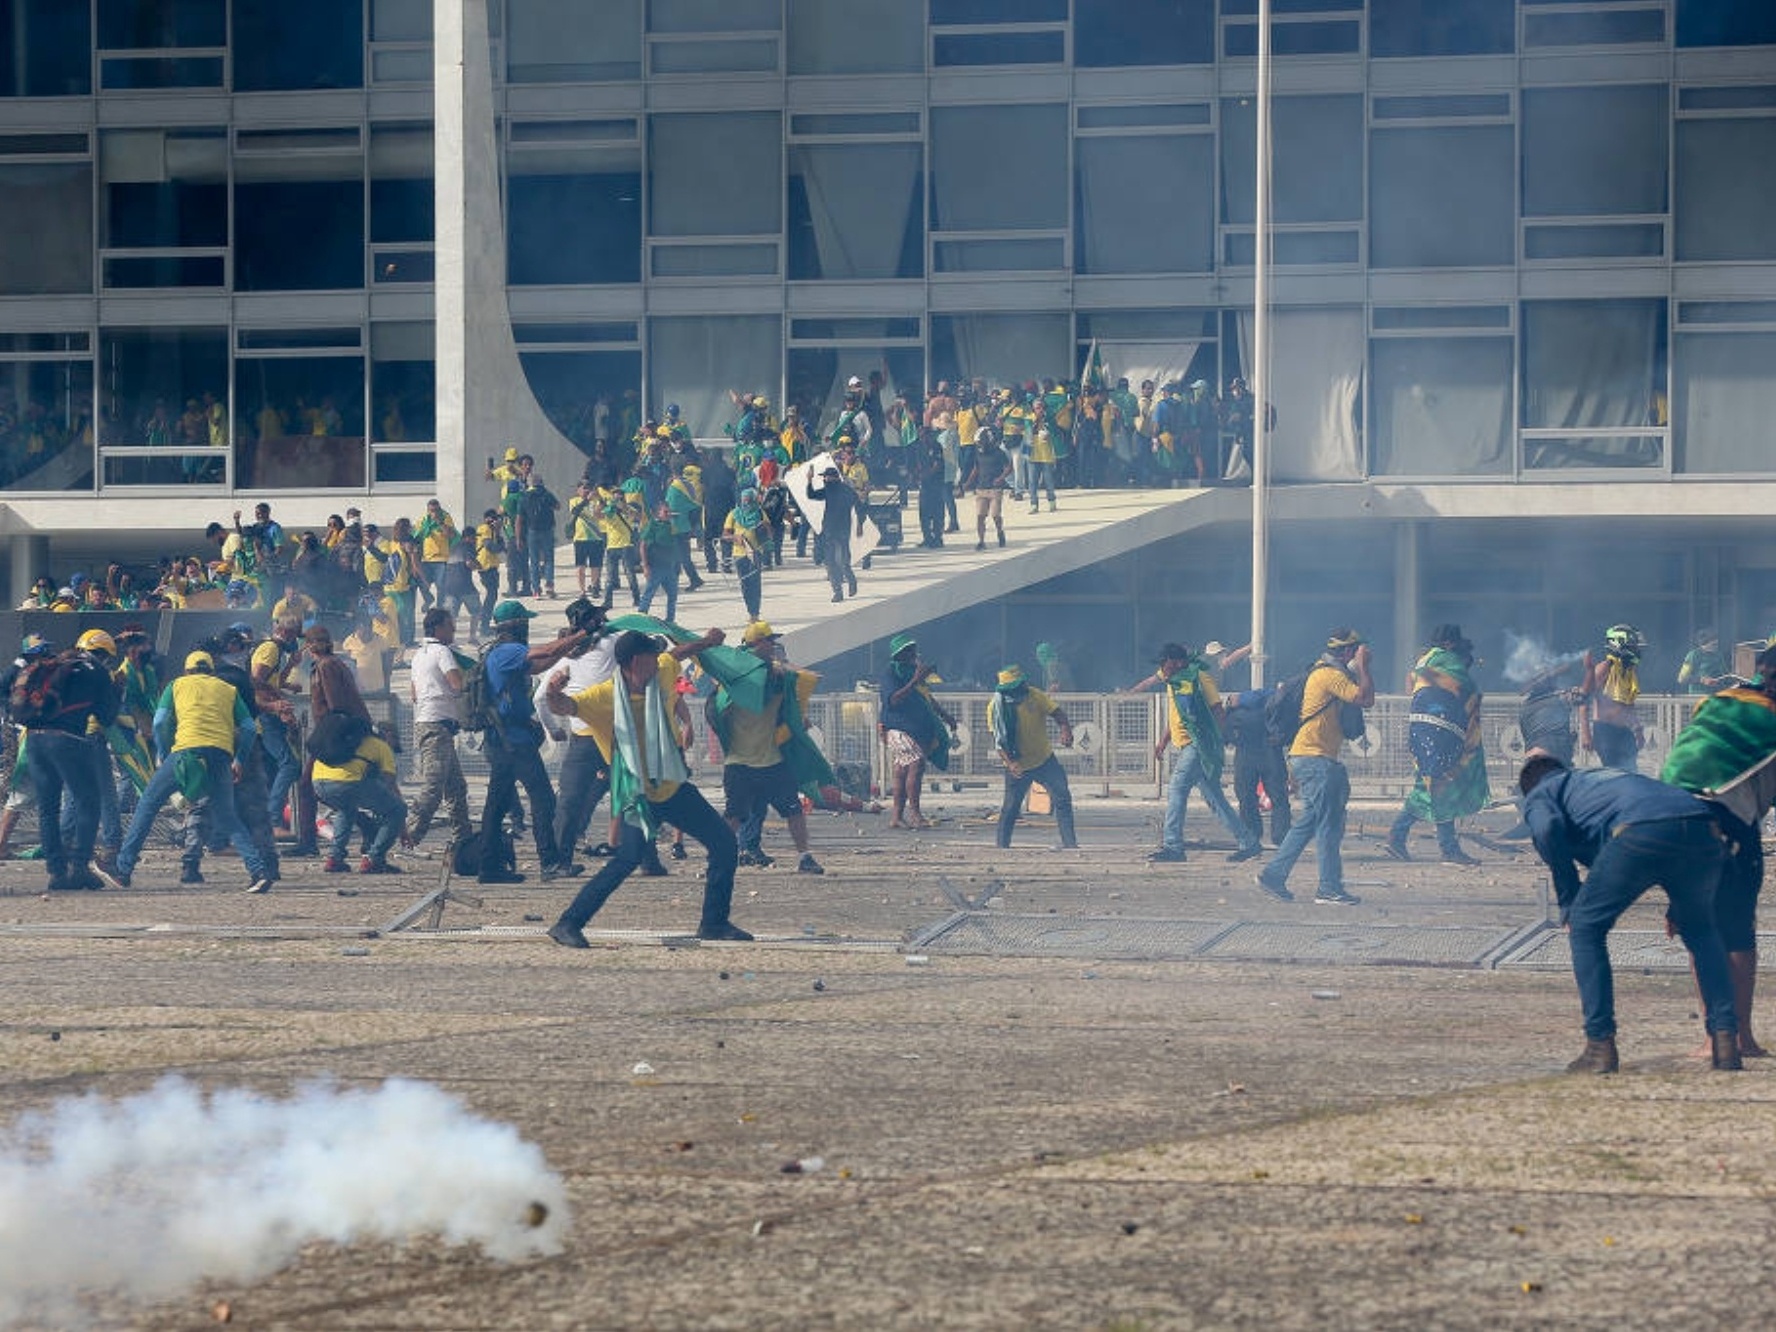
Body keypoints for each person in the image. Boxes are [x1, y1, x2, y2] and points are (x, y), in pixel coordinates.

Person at [1520, 755, 1742, 1074]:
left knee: (1585, 927)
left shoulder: (1542, 792)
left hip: (1641, 830)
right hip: (1701, 825)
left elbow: (1547, 828)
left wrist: (1569, 898)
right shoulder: (1599, 778)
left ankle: (1600, 1046)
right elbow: (1672, 820)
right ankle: (1725, 1042)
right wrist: (1680, 902)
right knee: (1701, 929)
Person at [544, 628, 751, 946]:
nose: (658, 659)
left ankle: (714, 922)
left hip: (672, 786)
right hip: (636, 794)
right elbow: (565, 707)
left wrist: (708, 642)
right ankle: (567, 924)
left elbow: (677, 654)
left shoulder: (662, 673)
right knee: (627, 859)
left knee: (724, 844)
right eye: (651, 655)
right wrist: (552, 693)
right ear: (636, 661)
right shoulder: (604, 697)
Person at [1658, 642, 1776, 1060]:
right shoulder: (1770, 716)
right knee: (1736, 930)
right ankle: (1737, 1036)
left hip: (1673, 819)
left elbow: (1684, 763)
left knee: (1699, 927)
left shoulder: (1717, 702)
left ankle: (1714, 1035)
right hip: (1729, 826)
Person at [109, 651, 273, 894]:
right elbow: (248, 727)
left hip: (186, 752)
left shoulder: (176, 685)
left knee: (148, 804)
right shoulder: (227, 689)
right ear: (211, 671)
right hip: (220, 755)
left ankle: (123, 870)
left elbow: (159, 722)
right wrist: (238, 759)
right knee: (228, 816)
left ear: (186, 671)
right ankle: (258, 871)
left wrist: (163, 753)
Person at [1256, 629, 1376, 906]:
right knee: (1329, 825)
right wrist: (1364, 667)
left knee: (1309, 822)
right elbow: (1365, 699)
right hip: (1315, 759)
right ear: (1347, 652)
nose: (1360, 653)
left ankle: (1273, 875)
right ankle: (1328, 888)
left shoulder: (1329, 673)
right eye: (1356, 649)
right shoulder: (1328, 675)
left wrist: (1361, 669)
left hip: (1310, 757)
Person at [474, 599, 586, 884]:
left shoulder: (498, 653)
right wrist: (582, 634)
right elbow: (547, 651)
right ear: (517, 625)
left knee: (496, 805)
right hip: (514, 741)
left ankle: (489, 866)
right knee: (543, 799)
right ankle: (549, 862)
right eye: (525, 623)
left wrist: (568, 643)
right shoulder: (508, 651)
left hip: (503, 739)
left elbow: (542, 662)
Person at [712, 621, 827, 874]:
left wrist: (779, 669)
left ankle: (804, 857)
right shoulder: (732, 678)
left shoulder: (775, 676)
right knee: (734, 815)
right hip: (740, 760)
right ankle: (720, 857)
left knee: (793, 810)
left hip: (770, 759)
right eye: (769, 641)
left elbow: (806, 678)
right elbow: (719, 708)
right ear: (757, 644)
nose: (773, 646)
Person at [22, 630, 121, 892]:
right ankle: (79, 868)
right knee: (88, 801)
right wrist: (116, 691)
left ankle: (56, 872)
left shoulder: (57, 663)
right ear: (103, 654)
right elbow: (106, 716)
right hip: (67, 740)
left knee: (48, 808)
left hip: (34, 739)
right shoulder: (96, 670)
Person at [1148, 643, 1262, 865]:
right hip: (1187, 744)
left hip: (1198, 745)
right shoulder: (1174, 679)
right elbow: (1178, 715)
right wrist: (1163, 740)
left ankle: (1173, 846)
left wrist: (1215, 742)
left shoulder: (1200, 678)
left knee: (1177, 788)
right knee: (1215, 798)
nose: (1163, 669)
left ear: (1179, 662)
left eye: (1166, 664)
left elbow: (1218, 712)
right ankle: (1248, 842)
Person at [1385, 625, 1486, 866]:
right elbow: (1468, 691)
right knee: (1435, 785)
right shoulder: (1449, 660)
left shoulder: (1423, 662)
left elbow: (1411, 688)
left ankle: (1442, 846)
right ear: (1450, 644)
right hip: (1441, 731)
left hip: (1422, 731)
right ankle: (1404, 838)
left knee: (1436, 785)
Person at [404, 605, 475, 849]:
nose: (454, 629)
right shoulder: (443, 652)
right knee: (433, 787)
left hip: (431, 724)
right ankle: (408, 838)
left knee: (456, 787)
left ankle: (463, 838)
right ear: (439, 628)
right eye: (450, 625)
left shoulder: (418, 655)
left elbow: (414, 693)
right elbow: (457, 684)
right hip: (436, 726)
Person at [987, 664, 1078, 850]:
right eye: (1016, 687)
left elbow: (1057, 713)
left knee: (1062, 797)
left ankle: (1070, 844)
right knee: (1011, 807)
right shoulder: (996, 707)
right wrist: (1009, 763)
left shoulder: (1034, 695)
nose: (1021, 689)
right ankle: (1002, 847)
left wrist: (1065, 729)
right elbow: (998, 741)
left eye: (1022, 685)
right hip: (1017, 763)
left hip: (1044, 759)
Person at [877, 633, 957, 831]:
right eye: (908, 651)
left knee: (901, 770)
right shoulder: (891, 673)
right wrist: (914, 680)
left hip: (915, 728)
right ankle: (915, 814)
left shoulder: (913, 670)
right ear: (899, 654)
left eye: (913, 650)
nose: (913, 654)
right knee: (916, 763)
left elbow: (926, 697)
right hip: (897, 727)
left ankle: (896, 817)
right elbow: (893, 700)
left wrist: (945, 716)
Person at [312, 714, 409, 875]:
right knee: (397, 809)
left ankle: (334, 859)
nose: (393, 749)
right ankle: (374, 860)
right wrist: (401, 827)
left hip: (319, 783)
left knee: (346, 808)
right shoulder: (380, 746)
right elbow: (390, 787)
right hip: (347, 783)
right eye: (394, 744)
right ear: (389, 736)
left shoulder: (346, 739)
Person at [1224, 685, 1291, 849]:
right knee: (1279, 797)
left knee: (1246, 797)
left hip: (1245, 751)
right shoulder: (1273, 697)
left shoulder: (1237, 701)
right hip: (1270, 750)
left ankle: (1252, 836)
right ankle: (1281, 837)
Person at [1580, 624, 1645, 771]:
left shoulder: (1628, 671)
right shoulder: (1603, 668)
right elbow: (1583, 702)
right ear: (1618, 645)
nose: (1636, 649)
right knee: (1616, 774)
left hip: (1624, 731)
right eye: (1632, 646)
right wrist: (1586, 734)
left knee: (1631, 773)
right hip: (1605, 733)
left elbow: (1628, 706)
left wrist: (1638, 730)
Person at [806, 464, 861, 603]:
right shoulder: (831, 490)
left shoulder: (844, 490)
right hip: (830, 530)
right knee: (831, 562)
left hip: (841, 529)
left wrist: (860, 523)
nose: (824, 479)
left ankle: (850, 581)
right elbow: (811, 495)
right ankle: (838, 591)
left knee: (842, 561)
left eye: (826, 476)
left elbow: (859, 506)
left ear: (833, 477)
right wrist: (809, 480)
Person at [965, 428, 1011, 551]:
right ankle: (981, 541)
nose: (979, 445)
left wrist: (1001, 478)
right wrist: (967, 483)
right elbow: (976, 469)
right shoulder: (978, 453)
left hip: (995, 489)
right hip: (981, 488)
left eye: (981, 442)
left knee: (995, 515)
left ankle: (1000, 531)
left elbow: (1008, 467)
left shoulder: (999, 453)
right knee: (980, 516)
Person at [1677, 629, 1729, 694]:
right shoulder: (1693, 655)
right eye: (1713, 645)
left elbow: (1726, 674)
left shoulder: (1719, 655)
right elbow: (1681, 678)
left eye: (1717, 644)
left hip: (1716, 695)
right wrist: (1702, 680)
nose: (1716, 647)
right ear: (1703, 644)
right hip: (1698, 695)